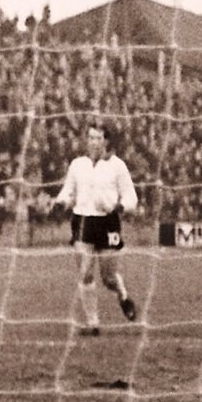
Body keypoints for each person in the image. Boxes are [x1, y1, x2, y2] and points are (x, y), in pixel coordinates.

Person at [53, 124, 139, 336]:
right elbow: (68, 191)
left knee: (108, 277)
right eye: (90, 137)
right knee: (85, 273)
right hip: (82, 221)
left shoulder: (117, 166)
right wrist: (60, 203)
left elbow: (131, 197)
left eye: (98, 138)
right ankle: (93, 324)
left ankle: (123, 296)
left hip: (108, 222)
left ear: (106, 141)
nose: (93, 142)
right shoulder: (77, 165)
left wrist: (120, 207)